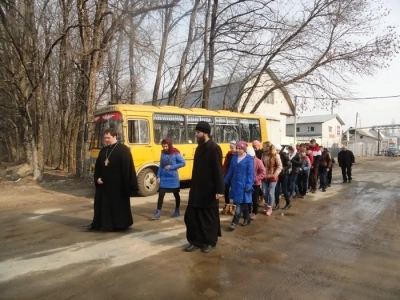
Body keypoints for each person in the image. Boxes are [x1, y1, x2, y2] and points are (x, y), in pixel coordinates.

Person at [84, 128, 138, 231]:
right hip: (104, 185)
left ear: (114, 137)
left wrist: (128, 185)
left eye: (108, 138)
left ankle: (119, 225)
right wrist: (97, 178)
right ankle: (102, 224)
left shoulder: (123, 150)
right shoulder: (104, 150)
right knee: (102, 205)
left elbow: (128, 168)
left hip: (118, 186)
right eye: (105, 138)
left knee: (117, 206)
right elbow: (98, 167)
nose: (106, 140)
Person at [184, 121, 224, 253]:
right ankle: (195, 241)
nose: (196, 135)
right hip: (196, 189)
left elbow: (218, 170)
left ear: (205, 133)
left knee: (208, 218)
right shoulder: (199, 148)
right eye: (196, 132)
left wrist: (219, 190)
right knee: (193, 217)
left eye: (198, 133)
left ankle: (209, 242)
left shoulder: (214, 148)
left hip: (209, 190)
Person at [151, 139, 186, 220]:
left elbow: (183, 163)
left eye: (166, 146)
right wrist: (158, 176)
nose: (165, 148)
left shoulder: (175, 153)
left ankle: (177, 210)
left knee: (176, 194)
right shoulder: (163, 153)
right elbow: (161, 165)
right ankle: (158, 212)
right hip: (163, 177)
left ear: (169, 145)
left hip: (173, 177)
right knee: (161, 194)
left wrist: (172, 167)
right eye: (163, 146)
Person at [224, 141, 254, 231]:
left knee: (238, 205)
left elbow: (250, 174)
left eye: (240, 148)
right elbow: (230, 171)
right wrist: (225, 181)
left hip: (244, 185)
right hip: (235, 185)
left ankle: (234, 222)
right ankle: (247, 218)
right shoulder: (234, 158)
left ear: (244, 149)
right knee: (242, 203)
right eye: (237, 148)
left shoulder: (249, 159)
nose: (238, 150)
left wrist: (249, 185)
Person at [261, 143, 282, 216]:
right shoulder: (263, 154)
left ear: (268, 147)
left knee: (270, 192)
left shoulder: (276, 155)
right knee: (264, 192)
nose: (262, 148)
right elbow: (261, 164)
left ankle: (270, 207)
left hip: (273, 176)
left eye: (264, 147)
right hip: (264, 176)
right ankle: (267, 204)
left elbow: (280, 166)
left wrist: (275, 174)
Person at [246, 146, 266, 220]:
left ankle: (254, 212)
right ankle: (248, 211)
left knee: (254, 199)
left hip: (255, 183)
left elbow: (263, 172)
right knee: (247, 198)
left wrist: (255, 178)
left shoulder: (258, 161)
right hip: (248, 183)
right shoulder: (246, 161)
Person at [221, 140, 237, 214]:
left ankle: (234, 206)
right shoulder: (229, 154)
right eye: (230, 147)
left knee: (234, 191)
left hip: (235, 175)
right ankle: (226, 205)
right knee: (226, 190)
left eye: (232, 147)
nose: (231, 149)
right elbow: (225, 164)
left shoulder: (238, 154)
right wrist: (224, 173)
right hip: (228, 174)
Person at [274, 144, 292, 210]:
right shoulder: (275, 155)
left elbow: (289, 165)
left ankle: (288, 203)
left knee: (284, 190)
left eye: (277, 150)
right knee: (276, 190)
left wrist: (281, 169)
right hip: (277, 174)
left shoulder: (284, 155)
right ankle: (277, 204)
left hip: (284, 174)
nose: (276, 151)